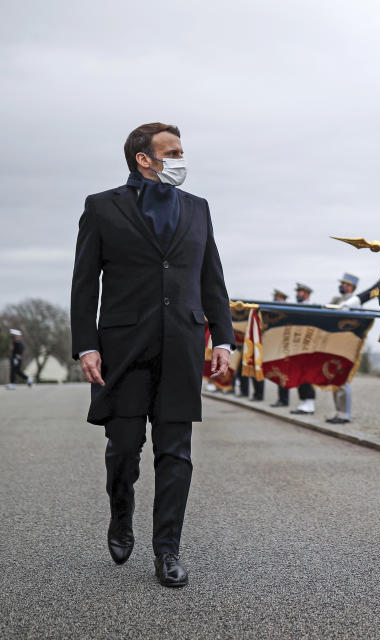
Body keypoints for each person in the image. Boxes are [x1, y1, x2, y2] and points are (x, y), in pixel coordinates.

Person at [70, 122, 234, 587]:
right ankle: (121, 516)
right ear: (145, 158)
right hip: (123, 347)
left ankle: (168, 551)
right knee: (123, 449)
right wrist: (86, 345)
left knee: (175, 452)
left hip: (183, 343)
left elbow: (211, 277)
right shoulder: (102, 208)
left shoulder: (198, 208)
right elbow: (85, 284)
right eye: (174, 151)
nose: (182, 158)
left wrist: (222, 338)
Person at [326, 273, 362, 424]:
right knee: (335, 378)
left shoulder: (354, 303)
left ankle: (344, 414)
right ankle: (338, 411)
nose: (342, 286)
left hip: (346, 343)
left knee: (343, 379)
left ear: (351, 287)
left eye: (345, 284)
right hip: (335, 341)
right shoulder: (338, 300)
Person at [289, 282, 319, 415]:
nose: (297, 295)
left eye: (300, 292)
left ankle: (310, 402)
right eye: (297, 292)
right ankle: (304, 401)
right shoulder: (296, 308)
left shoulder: (311, 308)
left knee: (307, 374)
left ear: (306, 294)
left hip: (307, 347)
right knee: (299, 374)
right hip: (297, 346)